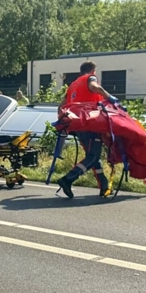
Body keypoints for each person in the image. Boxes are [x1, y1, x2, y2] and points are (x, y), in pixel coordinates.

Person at [56, 61, 118, 199]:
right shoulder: (90, 78)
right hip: (91, 122)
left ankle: (104, 186)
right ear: (93, 71)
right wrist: (109, 97)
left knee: (93, 156)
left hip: (78, 124)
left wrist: (62, 123)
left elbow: (61, 106)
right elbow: (95, 87)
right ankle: (68, 179)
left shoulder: (73, 85)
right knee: (93, 156)